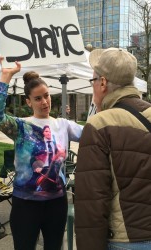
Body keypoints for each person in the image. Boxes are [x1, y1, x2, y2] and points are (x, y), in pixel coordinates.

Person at [0, 58, 83, 250]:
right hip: (25, 204)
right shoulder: (21, 127)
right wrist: (6, 76)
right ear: (28, 101)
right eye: (38, 98)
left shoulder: (62, 125)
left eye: (46, 96)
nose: (44, 101)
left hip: (57, 203)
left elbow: (93, 133)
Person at [74, 48, 151, 250]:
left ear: (103, 83)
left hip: (125, 240)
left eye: (93, 81)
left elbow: (92, 202)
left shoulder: (99, 125)